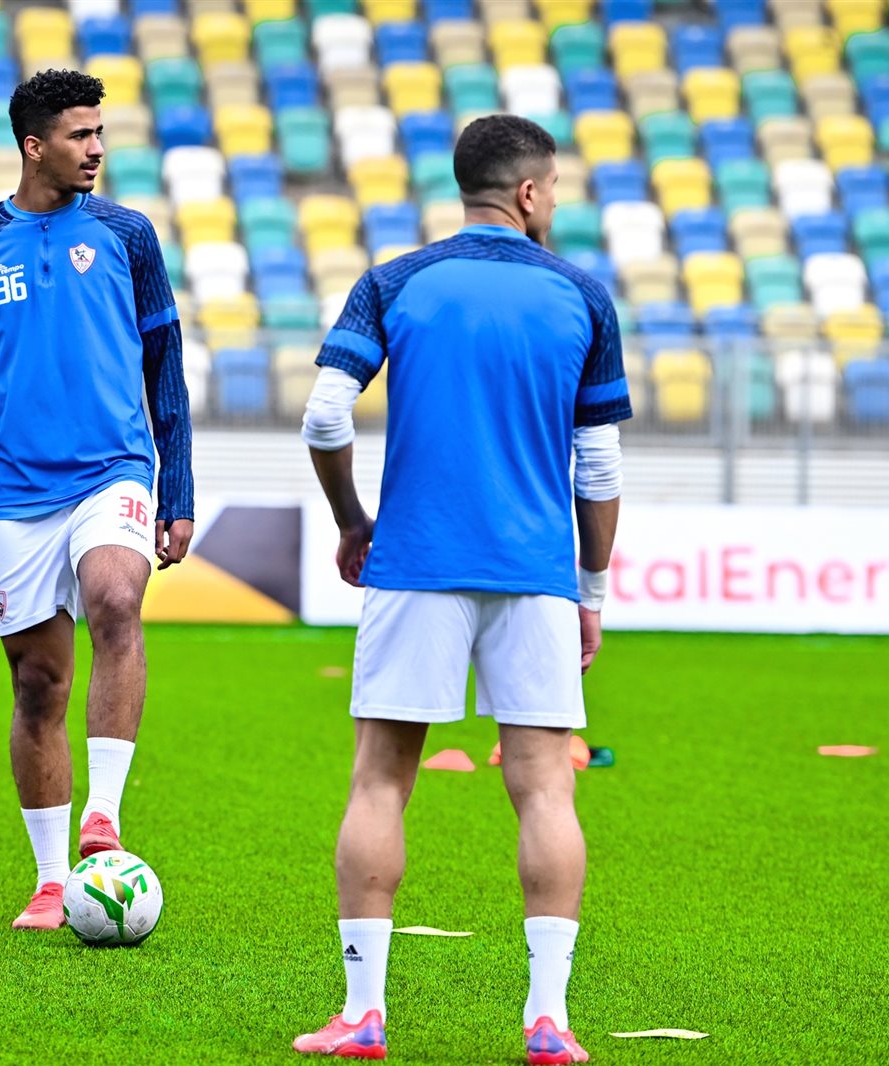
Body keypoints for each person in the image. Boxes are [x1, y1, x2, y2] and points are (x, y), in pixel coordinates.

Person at [292, 115, 631, 1064]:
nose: (554, 202)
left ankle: (363, 1014)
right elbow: (599, 467)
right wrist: (591, 589)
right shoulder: (581, 295)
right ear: (528, 192)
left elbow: (325, 416)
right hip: (534, 575)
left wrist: (353, 521)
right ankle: (548, 1020)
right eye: (553, 188)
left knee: (380, 780)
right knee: (545, 790)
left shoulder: (395, 281)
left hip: (415, 562)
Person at [0, 69, 194, 932]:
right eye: (81, 135)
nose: (97, 149)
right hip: (15, 493)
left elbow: (166, 369)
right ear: (34, 146)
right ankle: (50, 882)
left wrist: (177, 486)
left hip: (114, 469)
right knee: (38, 683)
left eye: (100, 132)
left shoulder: (128, 235)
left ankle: (102, 818)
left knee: (115, 597)